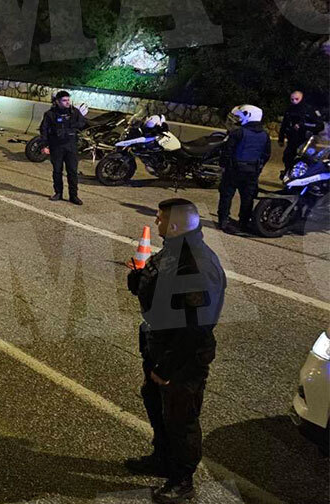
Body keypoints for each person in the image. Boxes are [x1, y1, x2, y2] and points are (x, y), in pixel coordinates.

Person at [125, 198, 226, 504]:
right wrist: (137, 277)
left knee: (181, 418)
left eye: (160, 219)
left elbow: (196, 327)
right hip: (159, 346)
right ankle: (162, 459)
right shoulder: (173, 251)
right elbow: (152, 285)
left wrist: (166, 368)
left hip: (182, 359)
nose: (156, 223)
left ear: (176, 224)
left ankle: (182, 479)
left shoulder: (197, 264)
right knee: (156, 406)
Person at [217, 105, 271, 234]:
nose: (239, 119)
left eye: (241, 116)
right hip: (252, 171)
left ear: (249, 116)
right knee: (248, 198)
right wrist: (258, 168)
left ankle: (224, 221)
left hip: (234, 170)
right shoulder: (264, 135)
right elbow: (266, 154)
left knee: (226, 195)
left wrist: (224, 165)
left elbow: (227, 151)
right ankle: (244, 222)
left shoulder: (238, 133)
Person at [39, 91, 88, 205]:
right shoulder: (50, 114)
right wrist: (44, 145)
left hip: (71, 146)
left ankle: (73, 196)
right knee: (57, 171)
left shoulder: (74, 112)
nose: (67, 102)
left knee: (72, 171)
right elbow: (44, 130)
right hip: (56, 146)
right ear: (57, 101)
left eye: (68, 100)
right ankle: (58, 193)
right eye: (64, 100)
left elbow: (82, 123)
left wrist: (71, 126)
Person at [279, 90, 324, 176]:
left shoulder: (310, 110)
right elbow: (284, 124)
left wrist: (303, 125)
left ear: (302, 98)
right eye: (292, 99)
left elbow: (320, 125)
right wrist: (281, 138)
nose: (294, 101)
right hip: (292, 140)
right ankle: (288, 176)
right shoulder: (289, 109)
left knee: (304, 161)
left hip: (306, 141)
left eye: (296, 99)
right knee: (288, 158)